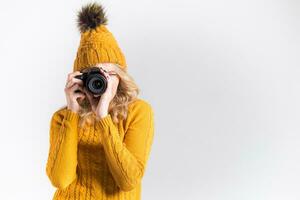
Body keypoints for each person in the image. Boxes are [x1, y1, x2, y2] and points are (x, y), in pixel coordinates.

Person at [45, 2, 155, 200]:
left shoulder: (139, 111)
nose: (99, 81)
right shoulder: (63, 118)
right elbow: (60, 180)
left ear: (120, 75)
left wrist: (103, 116)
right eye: (91, 75)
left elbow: (128, 180)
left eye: (106, 73)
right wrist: (72, 111)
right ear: (79, 78)